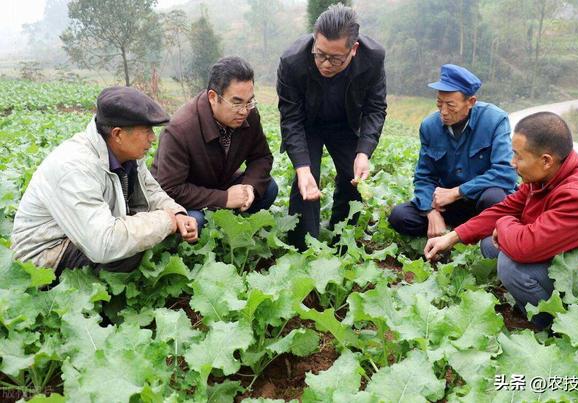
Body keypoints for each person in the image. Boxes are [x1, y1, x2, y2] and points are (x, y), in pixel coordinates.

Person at [424, 112, 578, 329]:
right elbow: (508, 207)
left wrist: (503, 224)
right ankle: (536, 303)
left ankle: (554, 326)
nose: (512, 162)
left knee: (511, 265)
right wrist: (453, 236)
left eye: (518, 156)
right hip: (573, 260)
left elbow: (525, 247)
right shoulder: (550, 172)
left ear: (545, 160)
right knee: (490, 245)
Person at [11, 87, 197, 273]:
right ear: (118, 134)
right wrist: (165, 221)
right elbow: (104, 243)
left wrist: (176, 214)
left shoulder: (129, 154)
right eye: (147, 130)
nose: (153, 138)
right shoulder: (74, 166)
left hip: (85, 233)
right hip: (46, 255)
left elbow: (151, 191)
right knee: (128, 251)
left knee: (151, 235)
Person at [277, 4, 387, 250]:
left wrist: (363, 153)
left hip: (345, 124)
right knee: (306, 182)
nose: (325, 64)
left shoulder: (373, 59)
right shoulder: (292, 61)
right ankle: (302, 247)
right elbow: (290, 117)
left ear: (354, 49)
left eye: (336, 58)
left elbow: (375, 108)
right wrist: (302, 169)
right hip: (308, 124)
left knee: (353, 178)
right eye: (320, 54)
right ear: (315, 41)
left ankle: (341, 240)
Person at [388, 64, 517, 239]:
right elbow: (424, 177)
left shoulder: (494, 120)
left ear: (470, 102)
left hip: (479, 202)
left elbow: (505, 173)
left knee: (495, 198)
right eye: (439, 103)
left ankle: (469, 236)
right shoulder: (429, 126)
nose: (443, 112)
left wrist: (458, 192)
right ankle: (451, 232)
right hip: (446, 206)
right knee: (400, 216)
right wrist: (430, 211)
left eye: (450, 105)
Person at [152, 56, 277, 230]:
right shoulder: (180, 129)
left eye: (249, 102)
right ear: (212, 97)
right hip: (187, 197)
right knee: (197, 221)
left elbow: (261, 157)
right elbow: (169, 189)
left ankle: (231, 230)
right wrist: (224, 198)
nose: (244, 111)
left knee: (268, 188)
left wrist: (249, 186)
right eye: (236, 102)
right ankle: (220, 229)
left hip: (220, 182)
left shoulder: (249, 113)